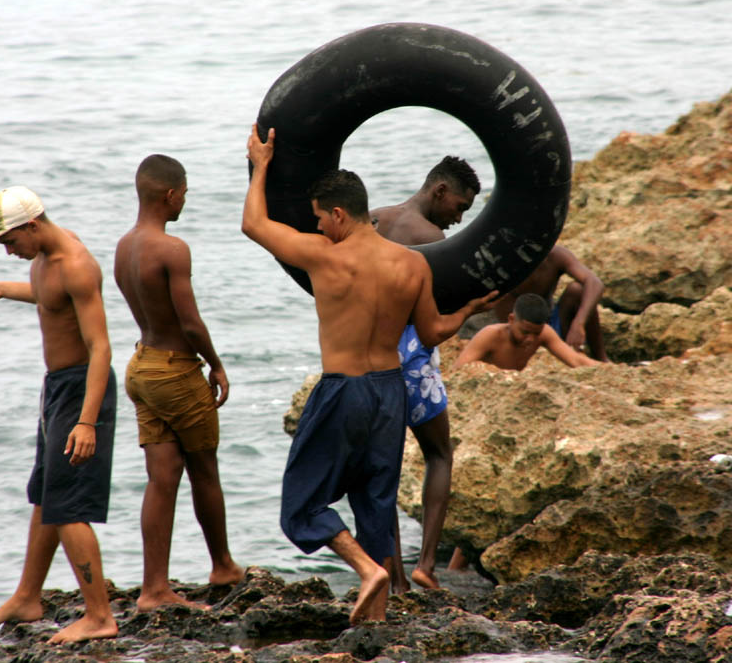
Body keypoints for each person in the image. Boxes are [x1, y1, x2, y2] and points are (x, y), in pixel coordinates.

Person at [243, 125, 497, 624]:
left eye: (320, 219)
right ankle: (376, 617)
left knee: (302, 504)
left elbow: (254, 225)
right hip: (391, 392)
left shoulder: (324, 255)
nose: (317, 229)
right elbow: (428, 333)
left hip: (344, 390)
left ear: (339, 214)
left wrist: (261, 165)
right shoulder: (413, 265)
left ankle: (367, 570)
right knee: (375, 502)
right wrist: (468, 306)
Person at [0, 185, 118, 644]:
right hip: (58, 388)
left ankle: (99, 617)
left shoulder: (76, 264)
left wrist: (87, 421)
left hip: (82, 389)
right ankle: (27, 597)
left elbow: (101, 347)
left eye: (9, 242)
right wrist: (3, 290)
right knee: (45, 494)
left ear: (32, 226)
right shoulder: (45, 259)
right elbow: (50, 297)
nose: (8, 251)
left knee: (69, 505)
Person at [114, 154, 244, 612]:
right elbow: (189, 323)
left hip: (141, 366)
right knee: (204, 469)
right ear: (170, 195)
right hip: (175, 369)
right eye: (184, 194)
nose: (184, 202)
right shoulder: (171, 249)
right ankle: (223, 565)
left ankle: (153, 589)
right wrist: (217, 364)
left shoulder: (123, 246)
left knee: (162, 477)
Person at [370, 156, 481, 593]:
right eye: (458, 206)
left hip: (372, 360)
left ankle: (395, 580)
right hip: (412, 361)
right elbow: (433, 318)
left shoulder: (372, 220)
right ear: (439, 191)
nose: (457, 219)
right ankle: (427, 565)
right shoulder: (432, 240)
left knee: (384, 472)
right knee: (439, 455)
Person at [492, 245, 608, 361]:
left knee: (577, 291)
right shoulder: (501, 260)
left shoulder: (554, 255)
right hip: (517, 333)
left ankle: (601, 358)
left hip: (549, 326)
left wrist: (578, 324)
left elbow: (595, 283)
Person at [454, 293, 599, 371]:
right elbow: (459, 369)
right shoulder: (491, 335)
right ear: (511, 319)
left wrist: (608, 370)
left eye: (536, 333)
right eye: (525, 332)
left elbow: (575, 359)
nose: (530, 339)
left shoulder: (544, 333)